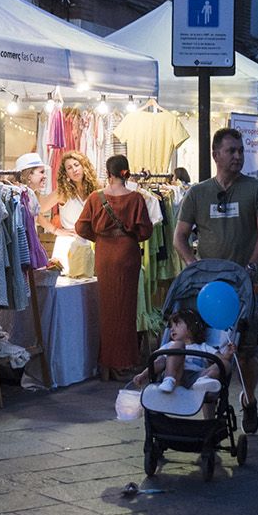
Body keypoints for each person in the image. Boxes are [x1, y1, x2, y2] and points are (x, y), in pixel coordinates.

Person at [174, 128, 258, 431]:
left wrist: (251, 267)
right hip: (207, 288)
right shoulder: (197, 192)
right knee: (209, 351)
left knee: (246, 352)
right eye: (231, 151)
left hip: (243, 285)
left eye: (240, 150)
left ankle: (249, 398)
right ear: (215, 154)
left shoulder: (257, 189)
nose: (237, 156)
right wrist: (192, 265)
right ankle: (210, 421)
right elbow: (180, 236)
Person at [75, 154, 154, 379]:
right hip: (127, 254)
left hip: (104, 253)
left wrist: (100, 237)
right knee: (126, 310)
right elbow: (146, 231)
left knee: (107, 309)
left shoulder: (95, 197)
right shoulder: (136, 198)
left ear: (108, 173)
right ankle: (122, 363)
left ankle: (106, 364)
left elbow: (81, 228)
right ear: (126, 173)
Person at [132, 308, 232, 415]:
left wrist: (228, 354)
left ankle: (204, 380)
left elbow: (221, 361)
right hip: (176, 377)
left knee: (225, 364)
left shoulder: (203, 347)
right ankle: (169, 379)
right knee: (178, 345)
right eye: (171, 327)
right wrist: (143, 375)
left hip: (196, 379)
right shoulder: (170, 346)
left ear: (191, 328)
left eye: (177, 325)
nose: (172, 329)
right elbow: (159, 362)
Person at [46, 151, 99, 274]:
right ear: (66, 174)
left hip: (92, 242)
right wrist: (56, 230)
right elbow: (36, 210)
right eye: (69, 168)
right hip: (68, 243)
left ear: (84, 166)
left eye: (76, 165)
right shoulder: (63, 192)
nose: (74, 169)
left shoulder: (97, 188)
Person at [13, 152, 49, 269]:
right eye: (41, 172)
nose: (45, 176)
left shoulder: (28, 194)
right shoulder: (25, 195)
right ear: (29, 175)